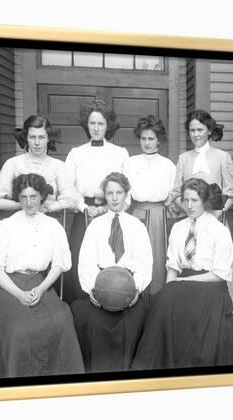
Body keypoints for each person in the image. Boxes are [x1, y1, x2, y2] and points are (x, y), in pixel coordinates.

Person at [132, 178, 233, 370]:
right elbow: (173, 265)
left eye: (194, 200)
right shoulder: (179, 227)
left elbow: (220, 274)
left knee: (197, 315)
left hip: (210, 284)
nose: (188, 205)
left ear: (204, 200)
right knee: (164, 303)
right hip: (182, 281)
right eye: (186, 200)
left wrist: (183, 281)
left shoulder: (218, 230)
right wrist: (170, 286)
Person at [0, 173, 85, 378]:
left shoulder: (53, 226)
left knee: (62, 320)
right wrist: (19, 294)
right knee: (19, 330)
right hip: (9, 285)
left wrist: (42, 287)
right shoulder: (6, 227)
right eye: (24, 197)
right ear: (18, 198)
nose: (29, 203)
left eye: (34, 196)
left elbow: (59, 264)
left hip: (40, 281)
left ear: (42, 197)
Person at [169, 109, 233, 335]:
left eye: (200, 130)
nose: (195, 134)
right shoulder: (184, 159)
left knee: (222, 271)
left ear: (209, 131)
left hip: (216, 222)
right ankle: (191, 324)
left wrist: (215, 214)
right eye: (192, 130)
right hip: (190, 223)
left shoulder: (222, 157)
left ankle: (230, 326)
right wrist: (192, 212)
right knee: (191, 267)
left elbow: (232, 194)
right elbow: (175, 193)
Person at [71, 172, 153, 373]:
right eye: (110, 193)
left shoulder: (137, 226)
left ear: (126, 195)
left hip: (128, 288)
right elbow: (86, 262)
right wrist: (92, 290)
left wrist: (136, 289)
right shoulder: (95, 226)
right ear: (105, 196)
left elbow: (145, 263)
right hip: (100, 287)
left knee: (133, 321)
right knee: (90, 321)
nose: (115, 198)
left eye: (119, 192)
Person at [63, 100, 129, 303]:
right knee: (82, 257)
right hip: (83, 211)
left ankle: (111, 300)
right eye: (92, 123)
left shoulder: (120, 153)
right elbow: (68, 187)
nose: (96, 128)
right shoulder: (76, 153)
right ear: (86, 125)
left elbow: (127, 187)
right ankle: (81, 304)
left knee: (109, 256)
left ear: (108, 125)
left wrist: (110, 209)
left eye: (101, 123)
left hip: (112, 210)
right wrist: (85, 208)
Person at [125, 115, 176, 298]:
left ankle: (156, 297)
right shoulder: (131, 162)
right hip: (136, 212)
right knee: (136, 254)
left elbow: (172, 194)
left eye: (151, 139)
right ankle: (136, 295)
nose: (147, 143)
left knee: (157, 256)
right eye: (143, 138)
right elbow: (125, 193)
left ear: (158, 140)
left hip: (158, 215)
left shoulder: (167, 165)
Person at [0, 115, 80, 213]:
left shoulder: (57, 166)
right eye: (32, 137)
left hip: (47, 222)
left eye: (41, 137)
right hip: (19, 222)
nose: (37, 142)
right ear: (26, 138)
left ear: (48, 138)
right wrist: (24, 205)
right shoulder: (13, 164)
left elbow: (71, 200)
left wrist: (48, 208)